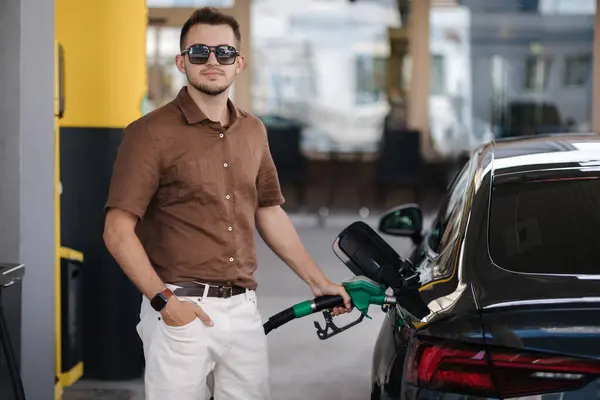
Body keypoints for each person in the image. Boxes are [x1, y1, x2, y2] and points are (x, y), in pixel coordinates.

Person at [102, 7, 352, 400]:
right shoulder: (149, 134)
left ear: (240, 63)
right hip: (179, 310)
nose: (213, 61)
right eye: (200, 52)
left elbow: (268, 210)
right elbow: (117, 231)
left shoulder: (253, 131)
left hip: (243, 311)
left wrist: (319, 282)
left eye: (224, 52)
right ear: (181, 62)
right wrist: (165, 303)